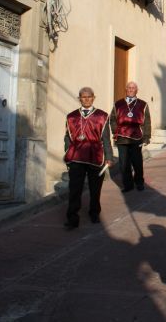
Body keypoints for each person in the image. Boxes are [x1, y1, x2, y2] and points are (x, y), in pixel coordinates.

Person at [64, 87, 114, 229]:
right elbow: (67, 137)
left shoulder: (102, 116)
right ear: (79, 98)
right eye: (83, 97)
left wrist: (109, 157)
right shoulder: (71, 116)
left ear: (94, 97)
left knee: (95, 189)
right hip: (76, 158)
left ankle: (94, 213)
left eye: (89, 96)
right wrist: (67, 154)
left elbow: (106, 139)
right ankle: (72, 219)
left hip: (96, 157)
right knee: (74, 190)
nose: (86, 99)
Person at [109, 81, 151, 193]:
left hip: (137, 137)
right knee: (124, 164)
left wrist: (147, 136)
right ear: (126, 89)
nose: (131, 89)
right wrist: (115, 131)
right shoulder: (117, 104)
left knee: (137, 162)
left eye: (133, 88)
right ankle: (128, 185)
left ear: (137, 90)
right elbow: (112, 119)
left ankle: (139, 183)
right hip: (122, 137)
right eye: (129, 88)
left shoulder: (143, 104)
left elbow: (147, 121)